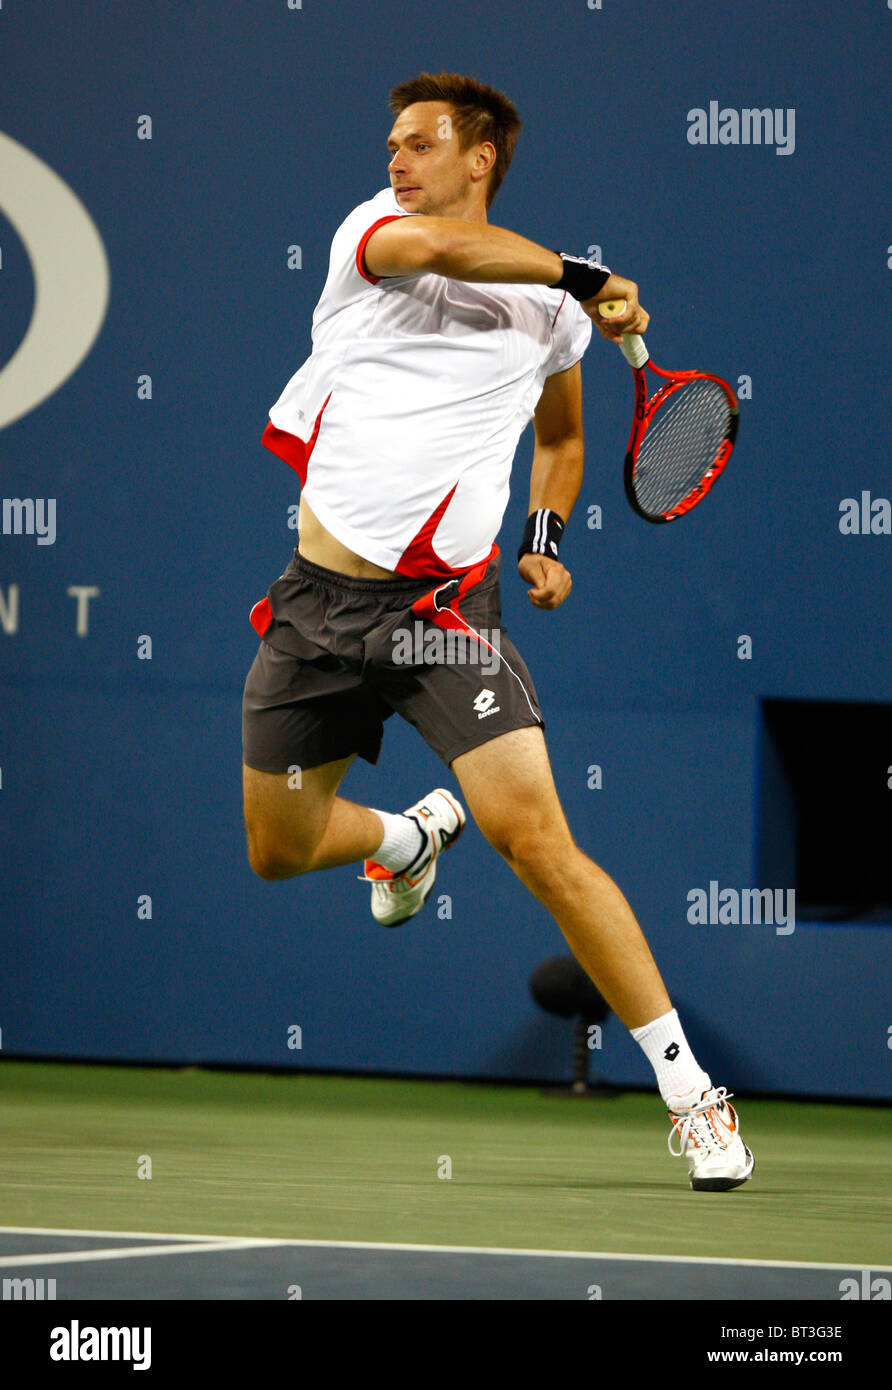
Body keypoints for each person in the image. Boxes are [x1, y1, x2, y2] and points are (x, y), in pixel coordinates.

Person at [241, 71, 754, 1192]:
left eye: (420, 142)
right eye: (391, 141)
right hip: (318, 606)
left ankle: (690, 1093)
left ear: (480, 158)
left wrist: (544, 537)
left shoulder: (555, 314)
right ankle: (403, 840)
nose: (396, 158)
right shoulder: (374, 236)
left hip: (440, 622)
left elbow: (562, 443)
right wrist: (587, 274)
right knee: (278, 848)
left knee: (536, 840)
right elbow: (454, 256)